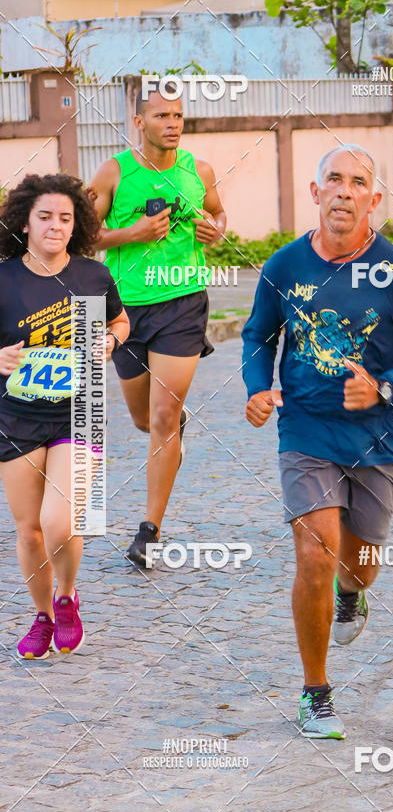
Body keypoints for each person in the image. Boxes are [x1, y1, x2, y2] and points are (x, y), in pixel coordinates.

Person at [242, 145, 393, 739]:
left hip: (377, 435)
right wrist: (259, 388)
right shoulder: (284, 266)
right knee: (315, 552)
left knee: (358, 567)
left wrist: (384, 387)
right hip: (305, 427)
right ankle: (316, 693)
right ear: (316, 192)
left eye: (358, 182)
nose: (344, 191)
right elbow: (258, 336)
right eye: (334, 179)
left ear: (374, 199)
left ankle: (351, 594)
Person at [90, 84, 227, 567]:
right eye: (161, 116)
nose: (172, 124)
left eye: (178, 115)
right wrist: (133, 232)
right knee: (144, 419)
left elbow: (218, 214)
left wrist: (216, 229)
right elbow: (83, 235)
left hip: (183, 302)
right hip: (126, 310)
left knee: (164, 416)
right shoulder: (114, 172)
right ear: (139, 122)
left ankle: (148, 531)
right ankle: (172, 429)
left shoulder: (198, 171)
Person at [0, 174, 129, 659]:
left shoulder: (91, 276)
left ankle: (67, 596)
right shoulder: (4, 279)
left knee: (59, 521)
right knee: (29, 529)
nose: (55, 226)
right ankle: (42, 616)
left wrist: (111, 339)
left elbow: (120, 320)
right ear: (24, 222)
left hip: (80, 410)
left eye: (65, 218)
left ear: (77, 225)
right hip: (15, 416)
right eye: (45, 217)